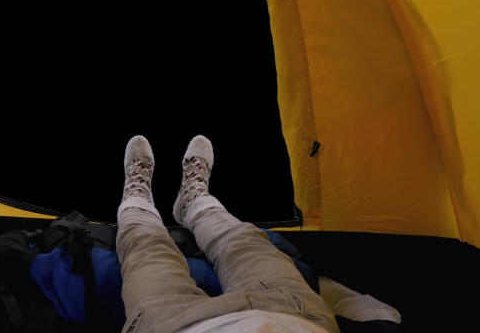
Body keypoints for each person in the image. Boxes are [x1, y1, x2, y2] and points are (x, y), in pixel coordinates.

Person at [116, 135, 341, 333]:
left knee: (144, 246)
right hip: (294, 316)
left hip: (166, 324)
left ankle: (136, 201)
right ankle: (194, 203)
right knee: (245, 240)